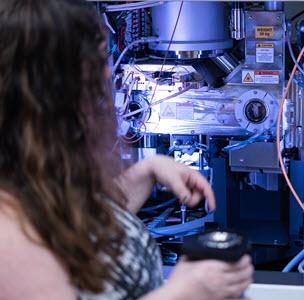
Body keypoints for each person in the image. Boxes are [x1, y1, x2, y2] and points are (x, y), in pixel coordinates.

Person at [0, 0, 253, 299]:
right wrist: (182, 293)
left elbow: (84, 231)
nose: (109, 77)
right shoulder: (8, 230)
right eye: (94, 64)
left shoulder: (39, 177)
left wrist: (146, 172)